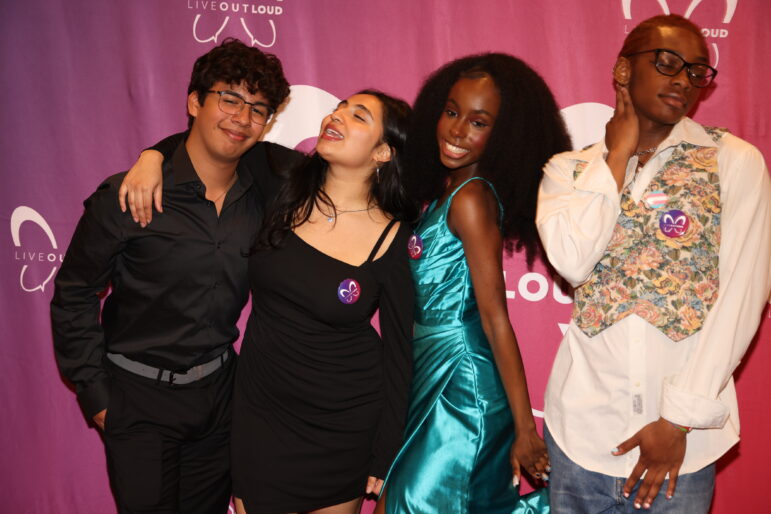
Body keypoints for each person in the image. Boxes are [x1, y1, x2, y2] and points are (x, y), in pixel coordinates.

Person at [121, 90, 416, 514]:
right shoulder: (281, 180)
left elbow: (401, 354)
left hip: (345, 424)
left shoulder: (395, 238)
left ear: (383, 152)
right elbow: (211, 143)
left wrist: (387, 449)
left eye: (359, 116)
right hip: (262, 416)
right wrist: (152, 155)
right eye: (339, 108)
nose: (337, 116)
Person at [537, 14, 771, 513]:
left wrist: (678, 420)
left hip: (682, 444)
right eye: (667, 63)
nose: (683, 80)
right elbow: (573, 262)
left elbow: (743, 296)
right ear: (623, 70)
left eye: (697, 71)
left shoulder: (734, 161)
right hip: (580, 433)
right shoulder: (568, 169)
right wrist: (616, 155)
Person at [51, 39, 290, 514]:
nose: (242, 118)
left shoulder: (267, 189)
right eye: (229, 99)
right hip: (136, 401)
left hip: (220, 400)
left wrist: (153, 151)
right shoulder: (128, 195)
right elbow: (74, 294)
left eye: (258, 109)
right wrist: (98, 398)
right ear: (194, 102)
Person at [375, 53, 572, 514]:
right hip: (433, 369)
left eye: (479, 122)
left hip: (464, 382)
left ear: (503, 136)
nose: (457, 130)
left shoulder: (471, 199)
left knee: (412, 503)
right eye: (451, 112)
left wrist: (525, 428)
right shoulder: (447, 192)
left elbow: (494, 319)